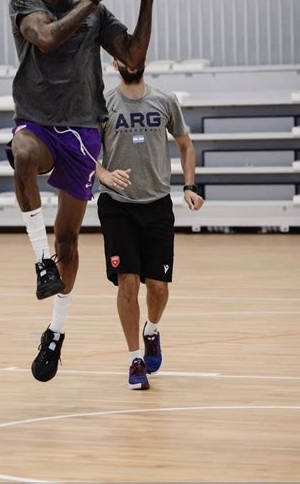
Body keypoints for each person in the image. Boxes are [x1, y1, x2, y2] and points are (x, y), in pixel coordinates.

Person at [6, 0, 154, 382]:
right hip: (38, 122)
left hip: (84, 131)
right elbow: (47, 38)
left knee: (68, 240)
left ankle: (55, 330)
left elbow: (133, 57)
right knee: (23, 154)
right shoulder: (25, 2)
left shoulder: (96, 11)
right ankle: (40, 263)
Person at [96, 60, 204, 390]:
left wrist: (189, 185)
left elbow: (185, 145)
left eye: (136, 54)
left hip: (157, 206)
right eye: (123, 55)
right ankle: (134, 360)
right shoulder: (102, 104)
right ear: (116, 63)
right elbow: (82, 150)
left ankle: (152, 331)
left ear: (143, 60)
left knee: (157, 287)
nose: (130, 60)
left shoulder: (164, 100)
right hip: (117, 206)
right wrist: (103, 174)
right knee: (127, 282)